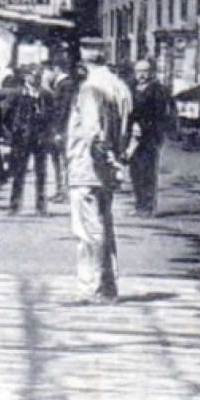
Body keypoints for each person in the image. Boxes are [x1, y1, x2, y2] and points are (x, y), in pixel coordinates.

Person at [65, 37, 133, 303]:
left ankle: (89, 288)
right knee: (104, 226)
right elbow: (128, 129)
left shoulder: (89, 89)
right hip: (107, 169)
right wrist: (117, 160)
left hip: (87, 166)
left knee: (87, 232)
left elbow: (94, 133)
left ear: (84, 55)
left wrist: (103, 157)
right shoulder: (120, 87)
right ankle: (108, 286)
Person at [125, 59, 175, 217]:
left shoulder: (157, 90)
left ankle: (148, 206)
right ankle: (138, 203)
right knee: (135, 170)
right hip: (133, 136)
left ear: (151, 73)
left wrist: (145, 127)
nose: (142, 75)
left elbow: (160, 114)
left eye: (145, 71)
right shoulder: (131, 89)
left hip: (149, 136)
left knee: (147, 171)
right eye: (139, 72)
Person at [3, 67, 53, 215]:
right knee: (18, 172)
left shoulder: (45, 95)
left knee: (41, 174)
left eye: (38, 74)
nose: (36, 77)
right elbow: (6, 115)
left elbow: (52, 116)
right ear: (25, 77)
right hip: (21, 138)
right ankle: (14, 205)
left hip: (40, 138)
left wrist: (47, 133)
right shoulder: (17, 94)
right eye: (32, 75)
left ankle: (41, 207)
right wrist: (14, 131)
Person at [45, 52, 82, 210]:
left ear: (56, 69)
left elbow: (63, 109)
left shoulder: (66, 85)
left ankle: (65, 191)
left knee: (63, 160)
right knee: (58, 160)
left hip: (63, 129)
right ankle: (60, 189)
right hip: (59, 129)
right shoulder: (63, 84)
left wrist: (58, 130)